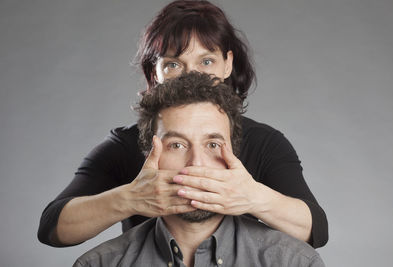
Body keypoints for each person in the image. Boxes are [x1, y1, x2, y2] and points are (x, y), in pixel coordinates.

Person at [38, 0, 328, 249]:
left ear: (228, 64)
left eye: (206, 61)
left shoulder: (265, 143)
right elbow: (52, 228)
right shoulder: (125, 145)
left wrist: (254, 198)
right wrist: (130, 198)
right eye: (173, 64)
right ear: (155, 72)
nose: (192, 76)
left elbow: (316, 231)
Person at [73, 72, 325, 267]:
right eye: (177, 145)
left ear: (233, 156)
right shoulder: (100, 263)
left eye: (212, 144)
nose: (196, 163)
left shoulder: (294, 262)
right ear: (150, 156)